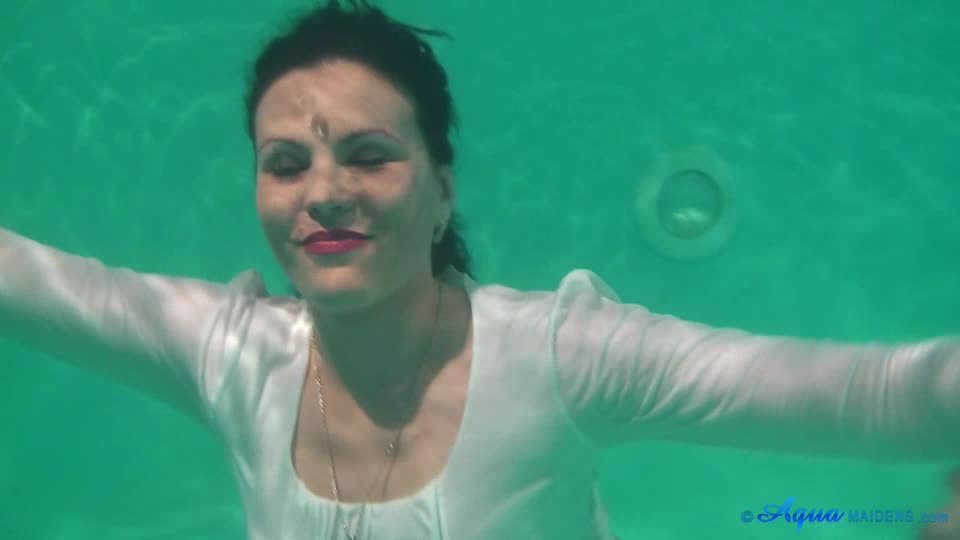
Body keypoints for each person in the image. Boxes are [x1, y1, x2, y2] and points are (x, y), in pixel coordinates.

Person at [0, 1, 957, 539]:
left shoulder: (556, 358)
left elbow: (869, 394)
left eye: (369, 156)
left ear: (442, 189)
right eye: (285, 164)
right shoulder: (233, 359)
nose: (322, 193)